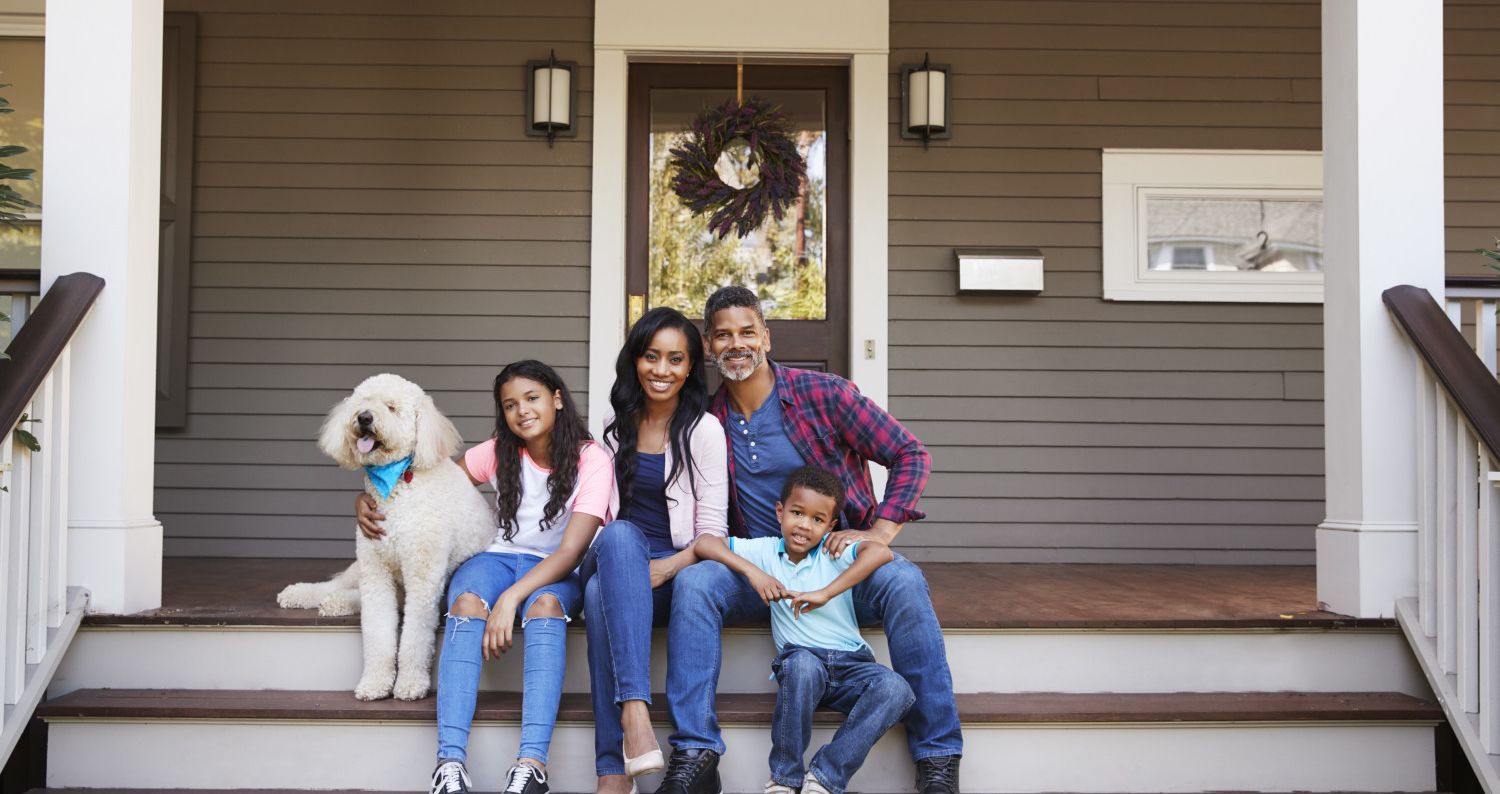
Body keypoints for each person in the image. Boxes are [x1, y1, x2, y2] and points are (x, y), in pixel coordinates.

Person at [658, 286, 963, 794]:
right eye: (723, 335)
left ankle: (937, 757)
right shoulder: (704, 422)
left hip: (838, 568)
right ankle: (695, 753)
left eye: (748, 331)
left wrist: (879, 531)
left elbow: (910, 454)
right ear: (709, 347)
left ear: (766, 337)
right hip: (759, 572)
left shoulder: (825, 394)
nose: (737, 344)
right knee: (696, 584)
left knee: (905, 580)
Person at [357, 360, 613, 794]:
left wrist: (511, 599)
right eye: (510, 404)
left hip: (556, 570)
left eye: (532, 398)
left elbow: (571, 552)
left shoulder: (592, 459)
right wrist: (366, 499)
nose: (522, 411)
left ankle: (531, 765)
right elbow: (432, 486)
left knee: (545, 607)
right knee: (465, 603)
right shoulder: (498, 450)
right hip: (496, 559)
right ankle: (449, 764)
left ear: (556, 399)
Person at [691, 465, 912, 794]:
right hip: (802, 662)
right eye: (797, 513)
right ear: (780, 511)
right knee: (801, 666)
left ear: (830, 526)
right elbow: (706, 543)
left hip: (852, 665)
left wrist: (827, 592)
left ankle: (825, 777)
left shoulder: (833, 553)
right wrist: (755, 574)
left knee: (897, 689)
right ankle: (783, 778)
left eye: (817, 520)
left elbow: (880, 551)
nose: (804, 526)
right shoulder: (766, 551)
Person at [581, 307, 729, 794]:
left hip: (669, 570)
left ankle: (612, 771)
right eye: (651, 356)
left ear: (690, 368)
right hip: (616, 553)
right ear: (635, 359)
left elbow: (712, 533)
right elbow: (598, 513)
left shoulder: (704, 431)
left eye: (675, 359)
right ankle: (637, 711)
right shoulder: (612, 421)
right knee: (620, 537)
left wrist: (669, 566)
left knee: (602, 596)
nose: (661, 370)